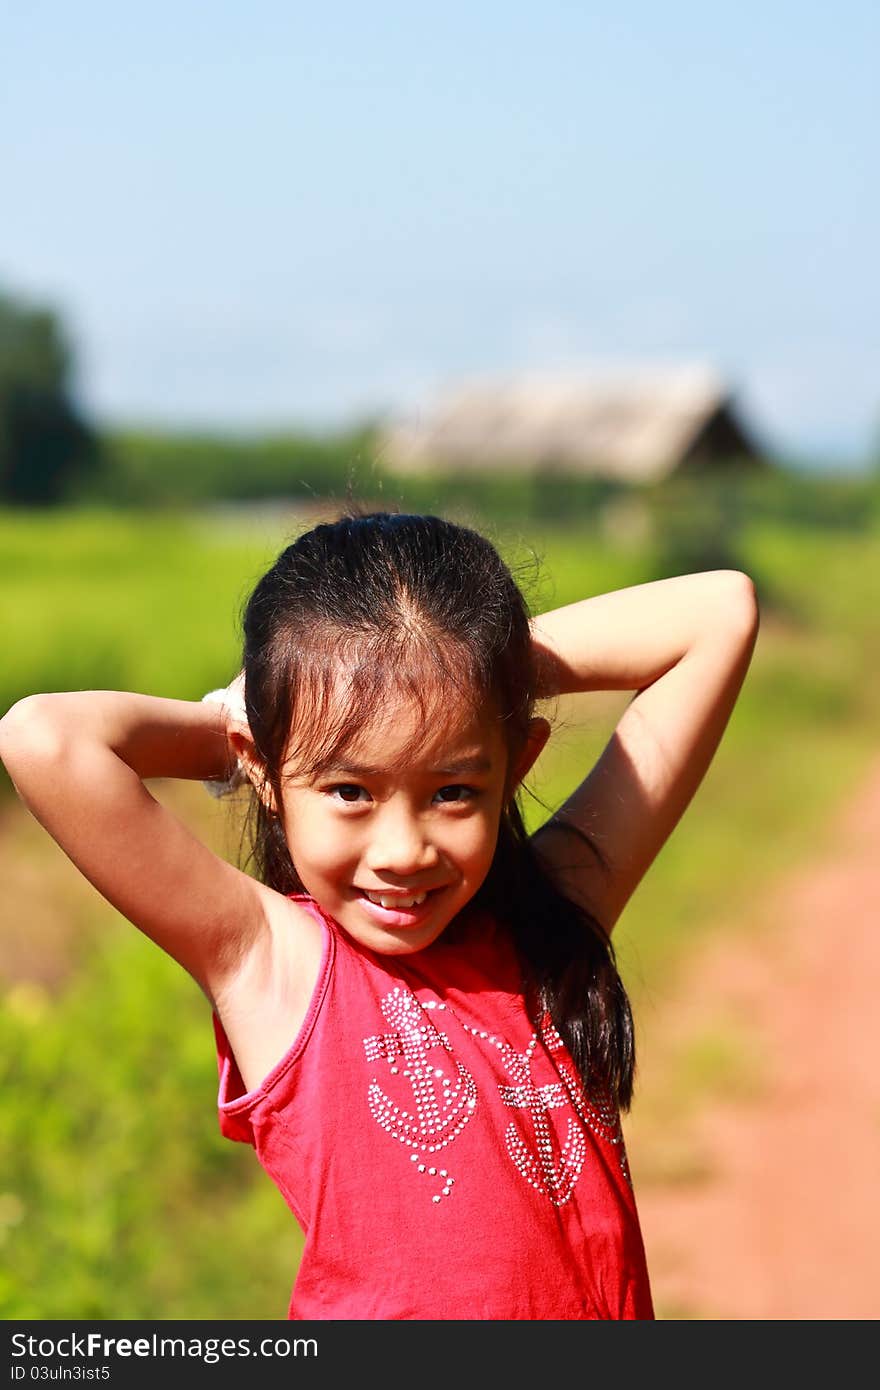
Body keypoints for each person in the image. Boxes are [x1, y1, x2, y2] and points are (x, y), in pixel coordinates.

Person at [0, 510, 759, 1320]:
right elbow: (44, 738)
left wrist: (463, 669)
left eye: (454, 790)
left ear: (516, 765)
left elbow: (718, 613)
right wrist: (281, 710)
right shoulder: (272, 961)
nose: (403, 850)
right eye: (349, 791)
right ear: (263, 767)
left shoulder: (550, 914)